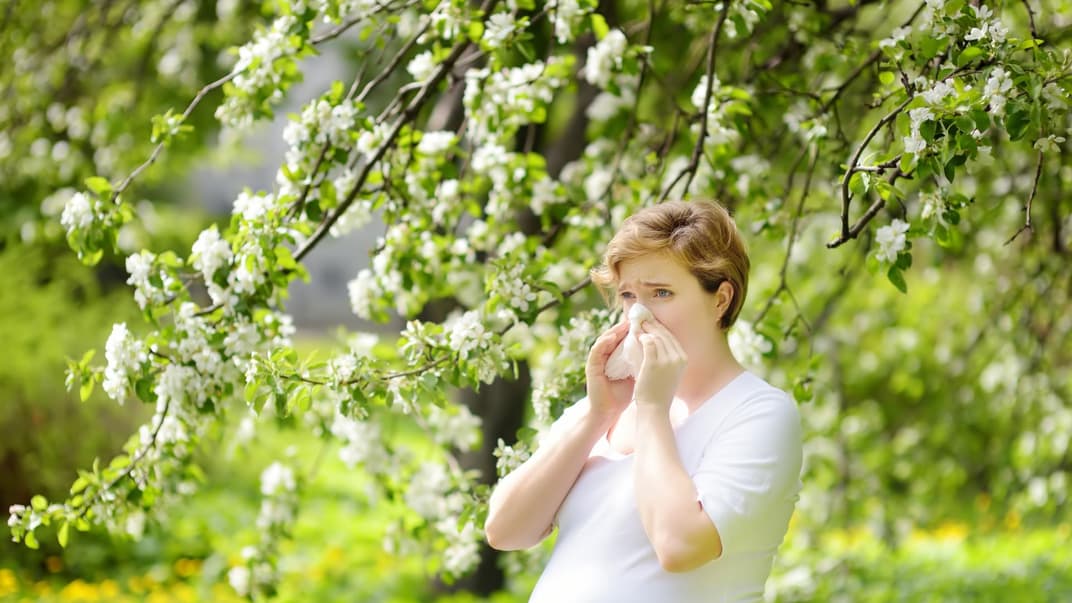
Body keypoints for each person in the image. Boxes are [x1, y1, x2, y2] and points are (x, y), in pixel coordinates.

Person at [484, 200, 803, 603]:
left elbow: (680, 545)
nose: (639, 315)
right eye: (629, 295)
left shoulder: (758, 413)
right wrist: (599, 414)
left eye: (662, 293)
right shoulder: (606, 407)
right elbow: (505, 530)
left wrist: (653, 409)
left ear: (721, 299)